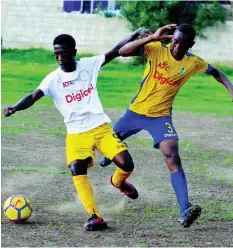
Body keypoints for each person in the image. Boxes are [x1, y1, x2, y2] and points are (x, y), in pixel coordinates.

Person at [3, 28, 158, 231]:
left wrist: (136, 33)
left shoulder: (89, 65)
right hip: (76, 133)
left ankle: (118, 182)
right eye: (56, 53)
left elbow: (116, 50)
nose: (59, 57)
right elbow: (33, 96)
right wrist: (15, 107)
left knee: (127, 165)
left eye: (64, 53)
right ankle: (94, 215)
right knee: (77, 168)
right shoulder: (52, 79)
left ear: (74, 52)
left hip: (100, 127)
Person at [99, 23, 233, 228]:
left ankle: (184, 209)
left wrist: (231, 89)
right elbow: (123, 52)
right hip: (134, 113)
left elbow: (217, 73)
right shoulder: (156, 48)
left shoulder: (193, 62)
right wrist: (151, 37)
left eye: (183, 44)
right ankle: (118, 181)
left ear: (191, 45)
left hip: (161, 118)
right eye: (175, 41)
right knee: (108, 146)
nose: (177, 46)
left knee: (173, 156)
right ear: (171, 38)